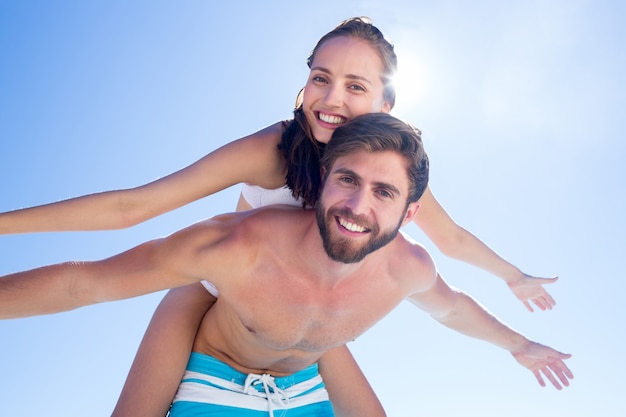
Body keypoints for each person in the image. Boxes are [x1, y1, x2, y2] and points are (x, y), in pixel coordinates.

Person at [0, 17, 558, 416]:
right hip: (225, 285)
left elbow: (450, 242)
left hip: (311, 302)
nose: (331, 99)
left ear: (386, 105)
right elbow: (134, 208)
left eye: (355, 86)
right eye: (321, 77)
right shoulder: (274, 151)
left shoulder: (383, 170)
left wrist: (512, 278)